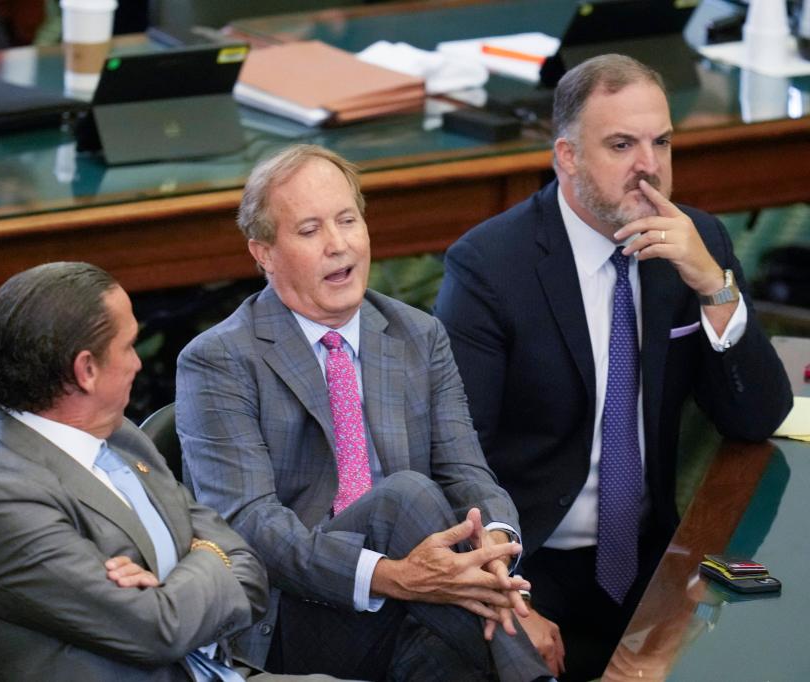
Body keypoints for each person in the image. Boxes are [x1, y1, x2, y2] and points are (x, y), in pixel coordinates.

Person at [434, 54, 793, 681]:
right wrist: (506, 592)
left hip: (656, 559)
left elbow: (757, 416)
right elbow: (455, 457)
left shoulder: (693, 242)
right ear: (567, 156)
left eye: (661, 142)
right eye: (622, 144)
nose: (648, 166)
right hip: (530, 559)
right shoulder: (490, 268)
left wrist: (713, 283)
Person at [176, 144, 552, 682]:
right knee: (407, 497)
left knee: (440, 652)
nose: (338, 244)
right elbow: (251, 527)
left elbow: (467, 473)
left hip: (429, 601)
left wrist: (491, 547)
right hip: (290, 617)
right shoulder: (219, 360)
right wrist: (395, 576)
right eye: (309, 231)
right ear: (263, 253)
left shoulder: (417, 335)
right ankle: (531, 672)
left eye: (348, 220)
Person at [0, 262, 320, 680]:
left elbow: (247, 565)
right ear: (86, 370)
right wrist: (205, 559)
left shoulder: (119, 434)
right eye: (129, 346)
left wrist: (173, 582)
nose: (138, 364)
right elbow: (161, 629)